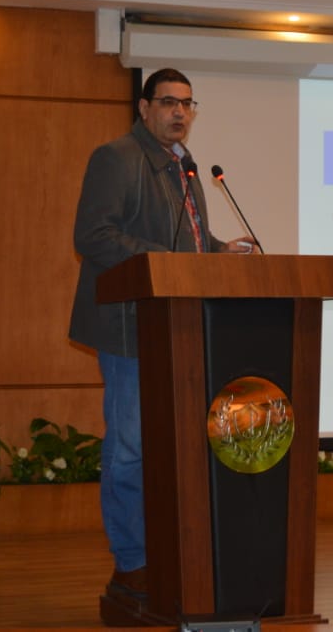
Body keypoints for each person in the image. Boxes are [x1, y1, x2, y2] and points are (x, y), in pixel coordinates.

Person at [68, 67, 255, 609]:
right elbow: (93, 236)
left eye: (188, 104)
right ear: (145, 108)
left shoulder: (185, 166)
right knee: (130, 449)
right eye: (169, 102)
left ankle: (171, 553)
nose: (180, 112)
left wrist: (218, 251)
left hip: (180, 326)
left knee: (175, 448)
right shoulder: (117, 157)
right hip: (132, 327)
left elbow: (185, 239)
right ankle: (132, 563)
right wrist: (168, 263)